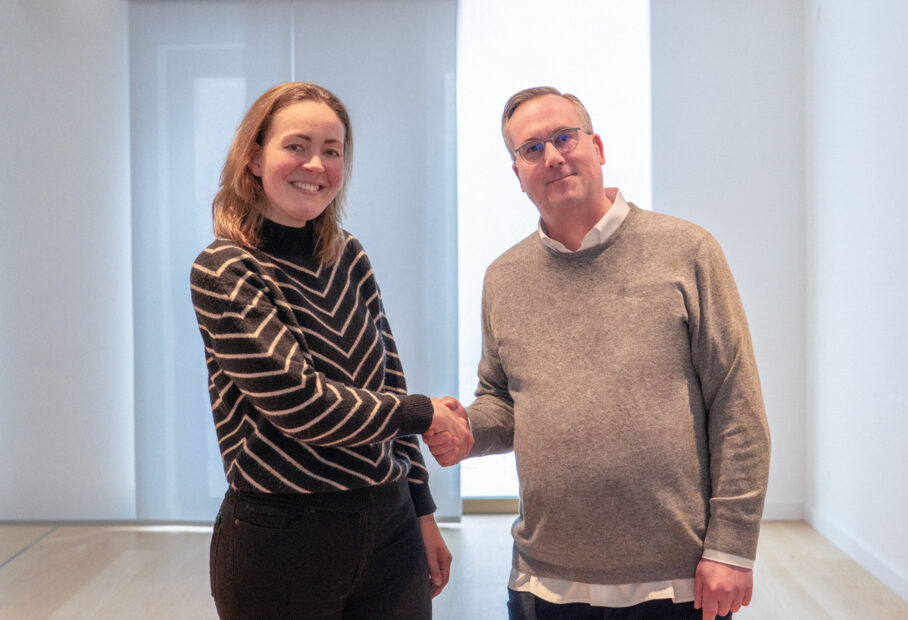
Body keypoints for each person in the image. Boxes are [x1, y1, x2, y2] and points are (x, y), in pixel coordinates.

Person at [425, 86, 771, 620]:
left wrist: (732, 548)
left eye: (565, 137)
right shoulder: (504, 277)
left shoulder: (687, 251)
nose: (552, 156)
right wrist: (468, 429)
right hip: (545, 581)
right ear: (517, 173)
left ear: (598, 147)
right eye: (532, 148)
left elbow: (736, 406)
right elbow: (504, 402)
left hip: (675, 581)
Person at [190, 82, 472, 619]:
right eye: (296, 146)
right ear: (254, 157)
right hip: (282, 539)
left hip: (390, 526)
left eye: (332, 150)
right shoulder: (225, 269)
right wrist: (423, 413)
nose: (316, 165)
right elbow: (302, 405)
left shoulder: (349, 256)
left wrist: (421, 511)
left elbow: (389, 382)